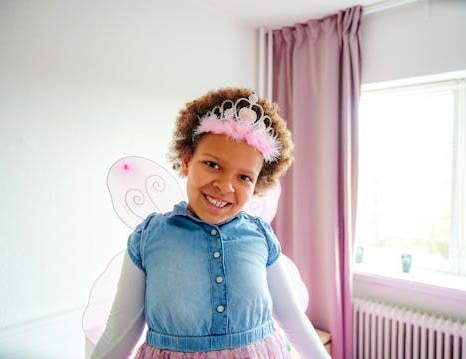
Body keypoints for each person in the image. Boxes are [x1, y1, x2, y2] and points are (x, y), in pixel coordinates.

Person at [91, 88, 331, 359]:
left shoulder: (260, 237)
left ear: (257, 185)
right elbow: (118, 337)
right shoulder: (148, 238)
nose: (225, 186)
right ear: (186, 161)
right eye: (213, 165)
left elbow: (295, 324)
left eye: (244, 178)